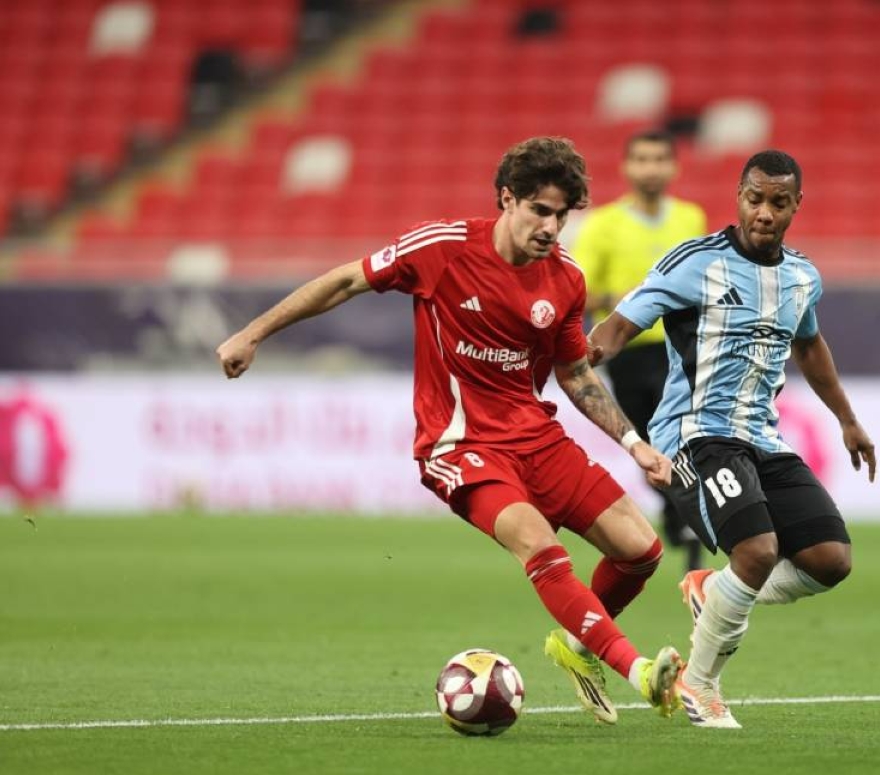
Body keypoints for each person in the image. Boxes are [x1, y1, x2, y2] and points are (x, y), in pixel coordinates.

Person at [216, 137, 683, 724]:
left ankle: (579, 645)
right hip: (459, 444)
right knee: (538, 543)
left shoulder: (565, 280)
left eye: (562, 215)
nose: (551, 227)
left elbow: (576, 374)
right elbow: (343, 282)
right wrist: (253, 333)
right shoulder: (441, 248)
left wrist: (635, 444)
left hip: (536, 437)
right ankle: (638, 671)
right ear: (506, 199)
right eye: (540, 210)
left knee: (641, 551)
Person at [588, 150, 877, 728]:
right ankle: (699, 686)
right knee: (758, 550)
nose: (764, 213)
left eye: (778, 202)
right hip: (693, 435)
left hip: (761, 439)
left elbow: (810, 345)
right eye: (754, 199)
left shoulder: (801, 276)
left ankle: (711, 591)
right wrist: (580, 360)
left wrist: (846, 417)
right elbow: (620, 325)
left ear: (797, 205)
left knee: (830, 560)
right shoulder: (694, 262)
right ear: (738, 196)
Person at [572, 130, 710, 574]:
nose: (650, 167)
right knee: (649, 443)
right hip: (627, 349)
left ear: (673, 166)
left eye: (658, 159)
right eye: (642, 159)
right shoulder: (602, 225)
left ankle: (688, 520)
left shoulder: (691, 218)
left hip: (679, 348)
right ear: (627, 167)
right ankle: (679, 513)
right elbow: (580, 289)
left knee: (687, 440)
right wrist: (629, 297)